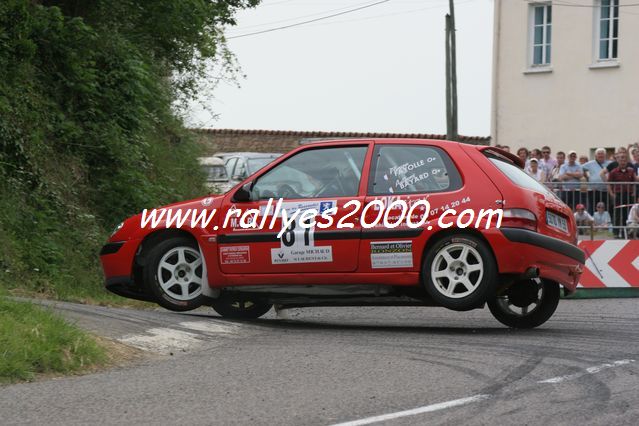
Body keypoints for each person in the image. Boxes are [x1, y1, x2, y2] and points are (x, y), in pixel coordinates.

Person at [607, 152, 638, 238]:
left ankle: (628, 233)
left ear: (627, 161)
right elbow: (609, 183)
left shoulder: (631, 171)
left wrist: (634, 192)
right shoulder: (613, 172)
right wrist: (611, 194)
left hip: (629, 195)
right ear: (618, 160)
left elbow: (635, 181)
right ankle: (616, 233)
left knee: (628, 214)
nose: (623, 161)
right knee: (617, 214)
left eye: (624, 159)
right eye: (621, 159)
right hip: (618, 195)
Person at [583, 148, 611, 215]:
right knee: (592, 208)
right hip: (593, 190)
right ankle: (592, 223)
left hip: (606, 190)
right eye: (599, 154)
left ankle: (606, 223)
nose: (600, 155)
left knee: (606, 208)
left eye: (602, 154)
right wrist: (587, 178)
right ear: (595, 155)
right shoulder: (590, 163)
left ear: (605, 155)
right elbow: (581, 169)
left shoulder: (610, 163)